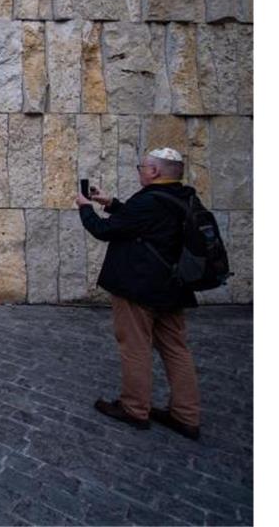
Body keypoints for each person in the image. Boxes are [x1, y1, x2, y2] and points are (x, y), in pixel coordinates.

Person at [75, 148, 202, 440]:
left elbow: (104, 231)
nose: (140, 171)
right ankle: (186, 415)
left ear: (155, 171)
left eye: (142, 167)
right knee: (176, 348)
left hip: (138, 287)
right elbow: (144, 226)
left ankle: (134, 408)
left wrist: (85, 207)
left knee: (135, 346)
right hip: (172, 288)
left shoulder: (147, 201)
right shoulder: (183, 197)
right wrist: (112, 203)